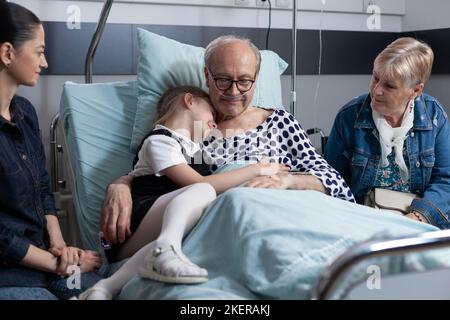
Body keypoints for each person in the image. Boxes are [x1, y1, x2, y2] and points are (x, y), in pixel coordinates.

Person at [100, 35, 355, 252]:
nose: (234, 92)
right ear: (206, 76)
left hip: (290, 217)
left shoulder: (279, 123)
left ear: (256, 79)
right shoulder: (193, 131)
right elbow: (159, 176)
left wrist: (288, 181)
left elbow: (332, 180)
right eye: (223, 80)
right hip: (226, 234)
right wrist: (121, 183)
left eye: (244, 81)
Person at [76, 85, 288, 299]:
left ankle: (103, 289)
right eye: (211, 114)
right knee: (202, 190)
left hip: (153, 228)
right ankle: (165, 249)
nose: (214, 123)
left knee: (169, 235)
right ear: (189, 101)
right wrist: (255, 169)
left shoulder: (196, 151)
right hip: (131, 225)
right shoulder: (160, 140)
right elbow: (200, 182)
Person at [0, 1, 102, 300]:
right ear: (8, 53)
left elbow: (43, 188)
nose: (44, 63)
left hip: (47, 263)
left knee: (124, 288)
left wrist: (60, 245)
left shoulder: (25, 113)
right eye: (40, 51)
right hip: (10, 275)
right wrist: (62, 263)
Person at [324, 37, 450, 229]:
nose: (377, 90)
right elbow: (331, 180)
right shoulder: (349, 117)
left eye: (389, 86)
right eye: (375, 77)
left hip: (419, 221)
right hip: (363, 220)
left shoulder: (434, 116)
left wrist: (417, 218)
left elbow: (445, 180)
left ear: (415, 90)